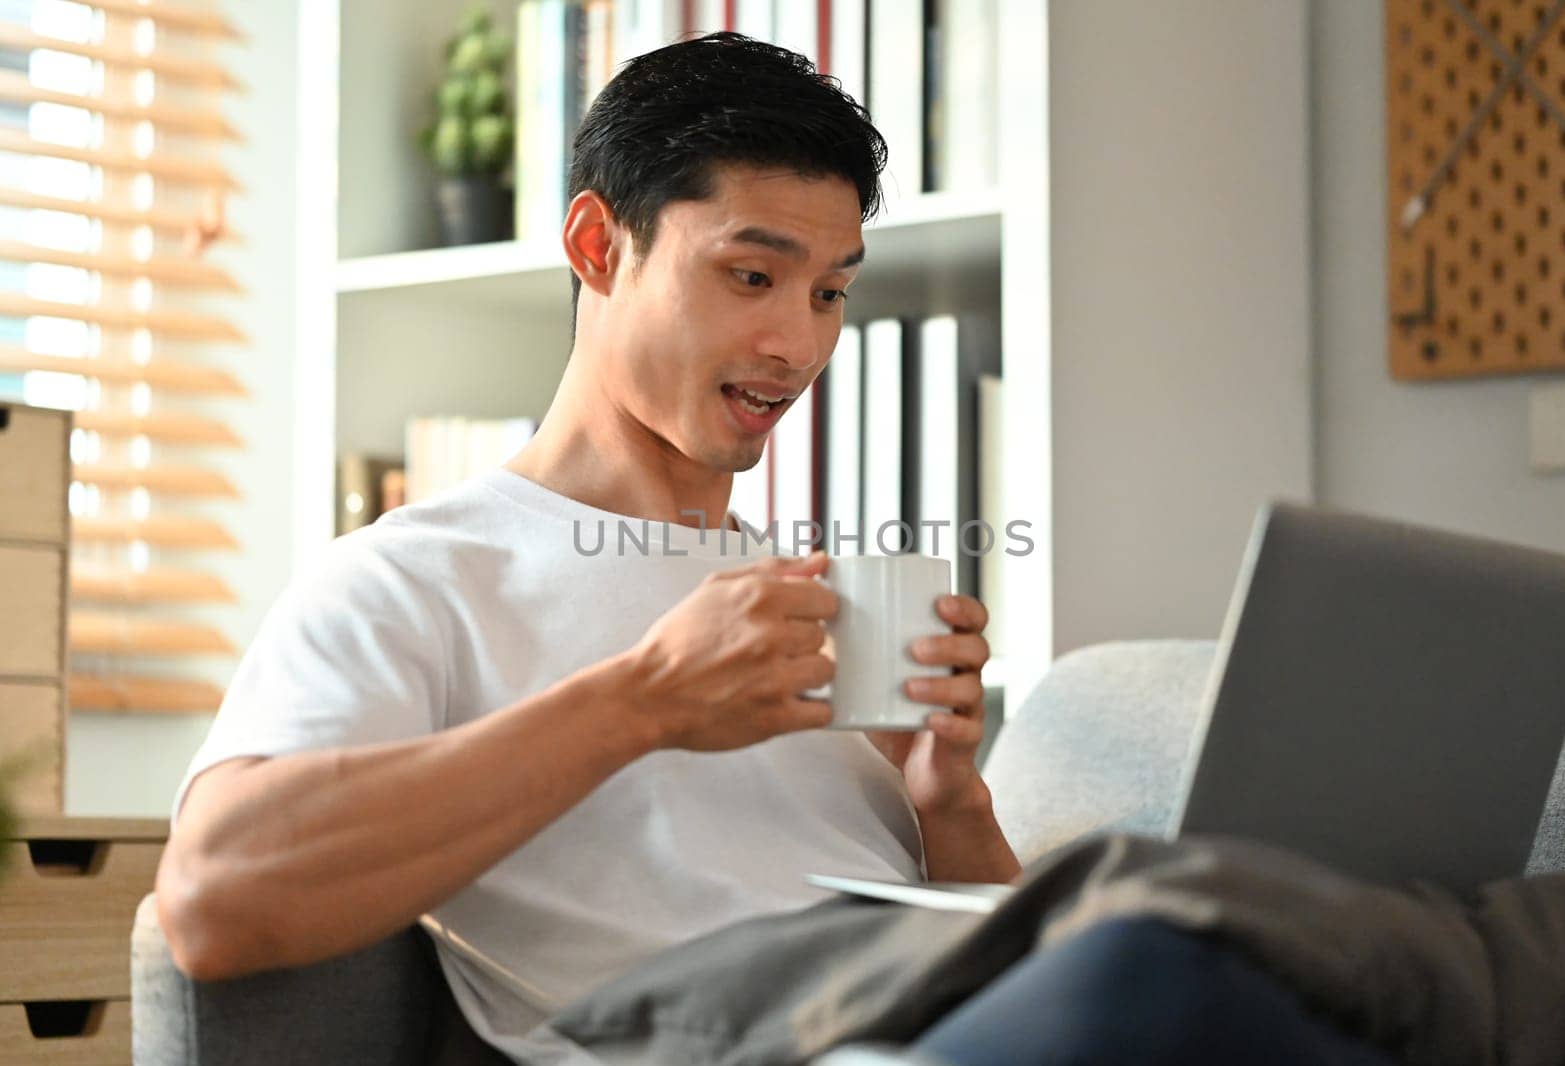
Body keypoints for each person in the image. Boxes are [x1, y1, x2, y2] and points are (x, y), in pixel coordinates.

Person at [155, 32, 1399, 1066]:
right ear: (599, 247)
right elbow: (215, 902)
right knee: (1191, 961)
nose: (797, 346)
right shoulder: (415, 576)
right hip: (743, 1034)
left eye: (829, 292)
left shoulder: (811, 597)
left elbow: (979, 939)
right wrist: (642, 699)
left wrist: (948, 805)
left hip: (925, 1013)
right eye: (751, 275)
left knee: (1414, 941)